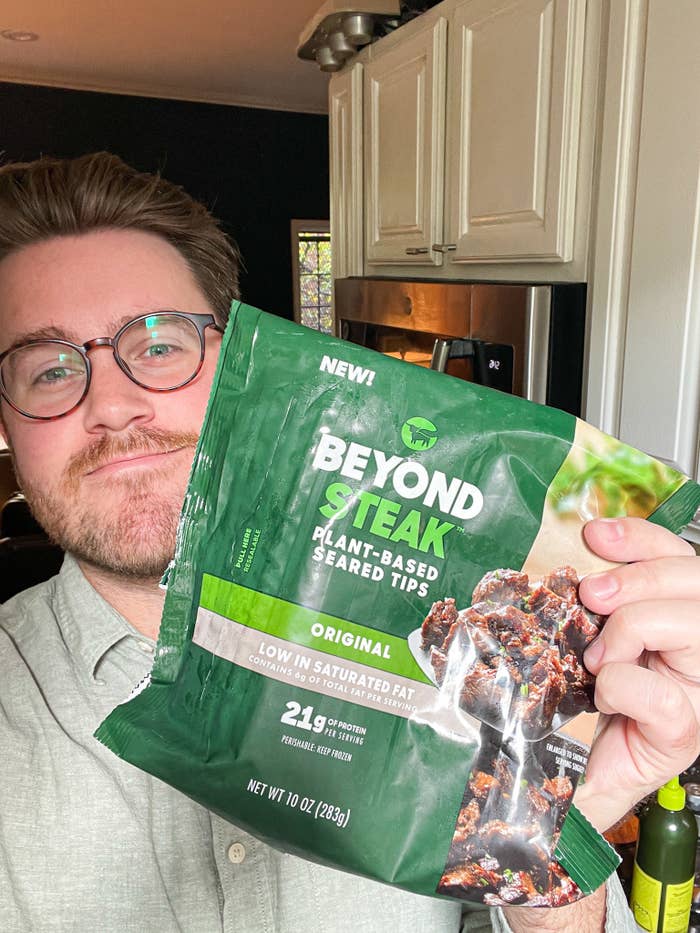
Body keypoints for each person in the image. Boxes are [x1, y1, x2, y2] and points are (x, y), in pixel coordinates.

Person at [0, 152, 697, 933]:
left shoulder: (458, 645)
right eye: (50, 369)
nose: (115, 405)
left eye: (159, 345)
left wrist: (550, 850)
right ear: (6, 421)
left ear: (243, 366)